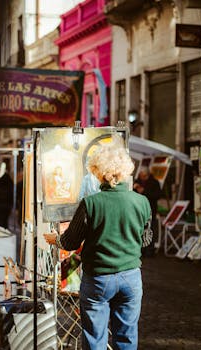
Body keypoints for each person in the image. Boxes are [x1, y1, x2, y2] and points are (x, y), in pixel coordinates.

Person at [44, 142, 152, 350]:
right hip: (130, 277)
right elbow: (146, 240)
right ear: (125, 171)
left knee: (95, 338)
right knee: (127, 337)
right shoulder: (142, 202)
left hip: (98, 280)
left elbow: (70, 242)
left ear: (98, 172)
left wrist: (55, 240)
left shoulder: (91, 203)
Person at [133, 165, 161, 256]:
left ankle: (150, 250)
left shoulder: (154, 182)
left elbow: (157, 195)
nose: (141, 178)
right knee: (140, 229)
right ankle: (141, 249)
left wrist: (143, 191)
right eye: (140, 176)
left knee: (150, 230)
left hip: (151, 209)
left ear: (147, 175)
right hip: (139, 210)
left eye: (143, 176)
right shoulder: (138, 181)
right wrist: (134, 187)